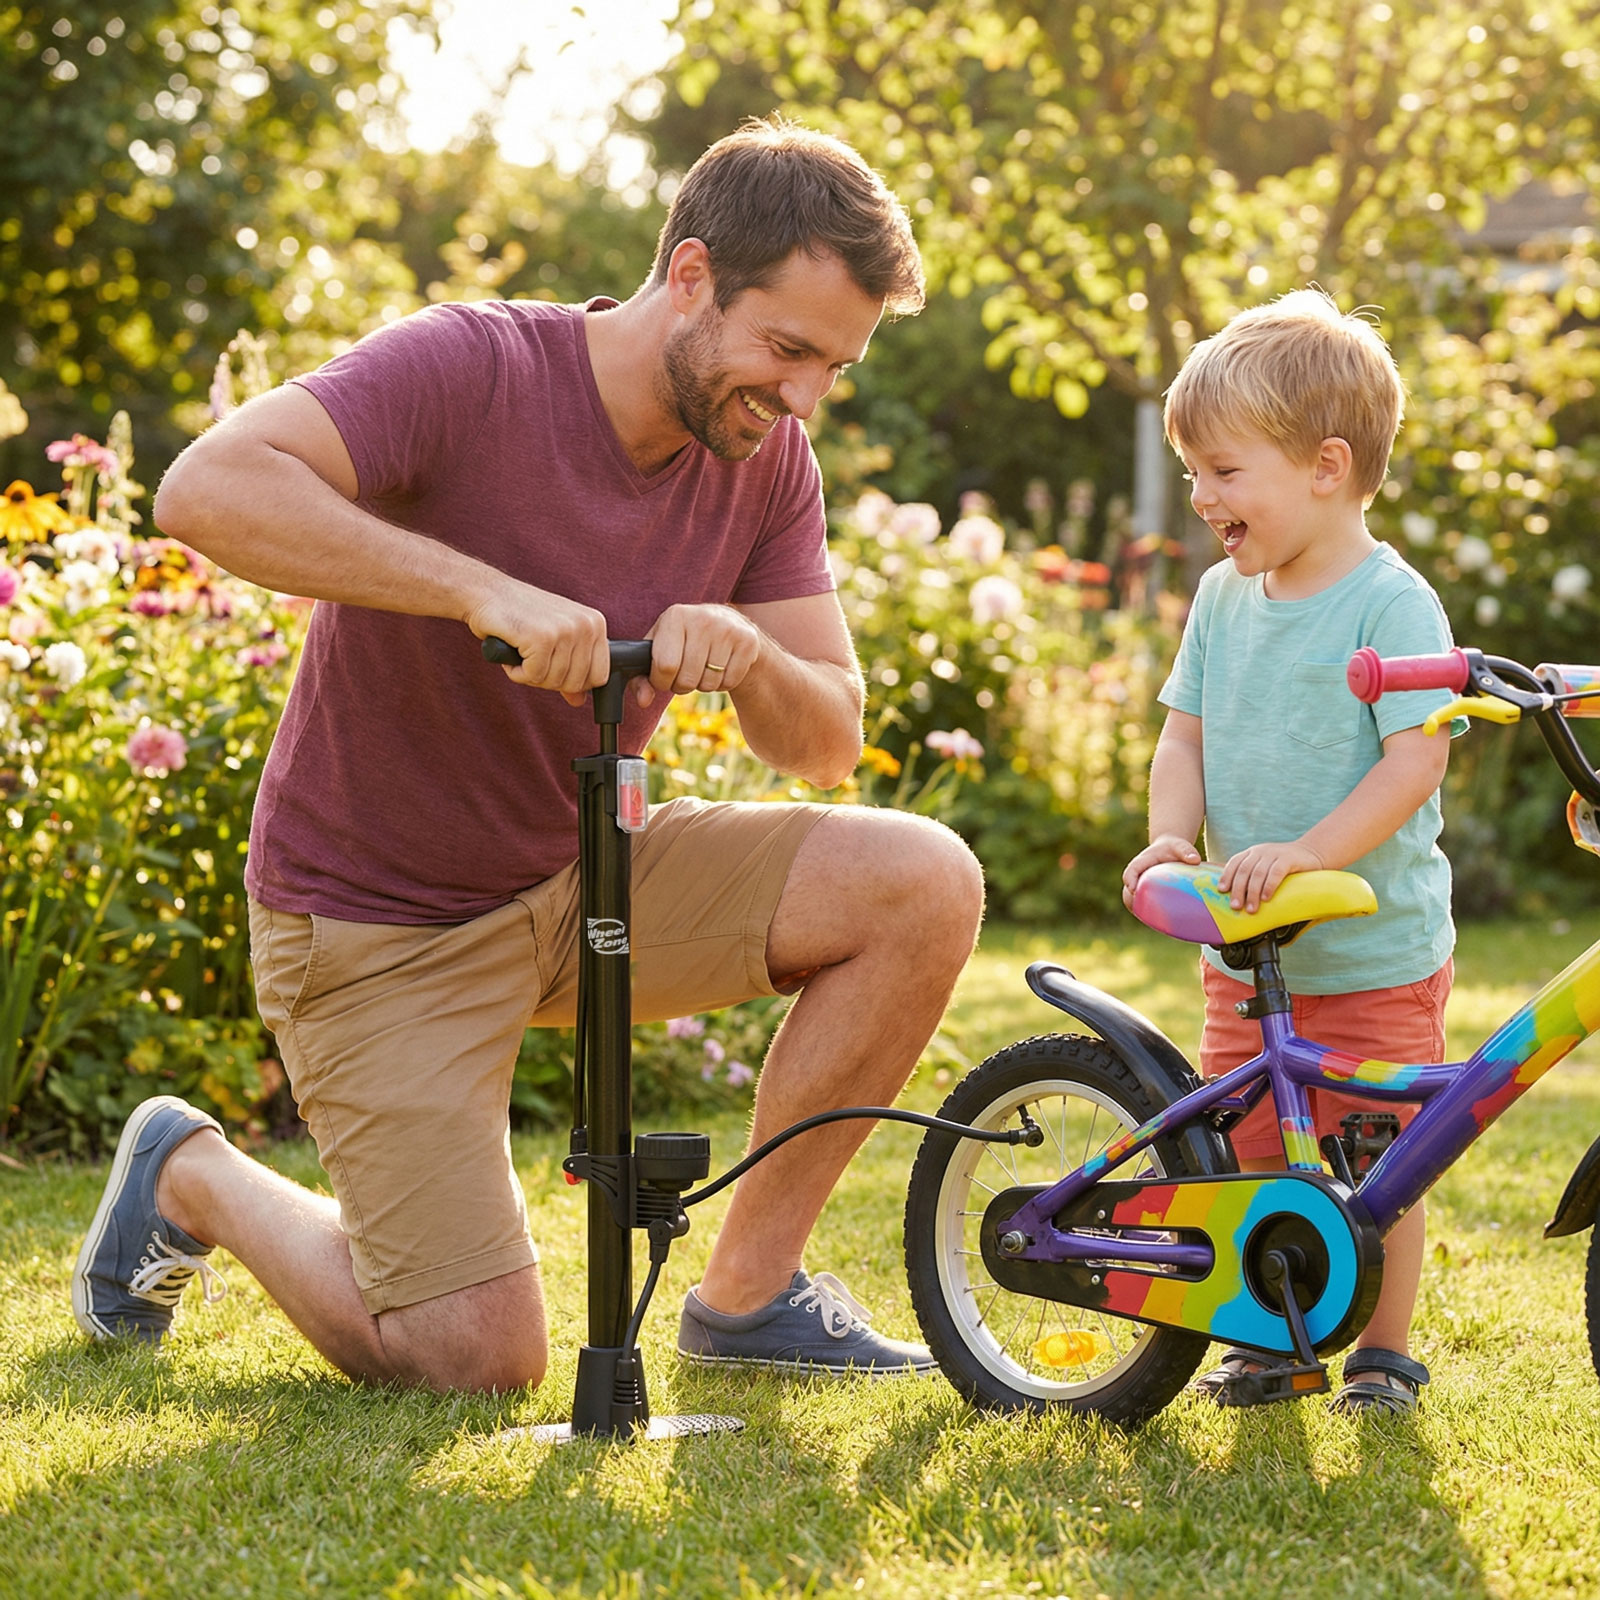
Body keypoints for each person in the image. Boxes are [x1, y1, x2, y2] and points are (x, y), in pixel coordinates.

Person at [72, 117, 985, 1392]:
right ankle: (193, 1170)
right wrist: (473, 592)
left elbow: (827, 741)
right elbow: (206, 489)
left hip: (584, 883)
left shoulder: (767, 459)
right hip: (377, 924)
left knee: (922, 878)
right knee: (475, 1361)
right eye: (786, 349)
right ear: (689, 275)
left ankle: (747, 1298)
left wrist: (752, 654)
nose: (803, 396)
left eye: (833, 366)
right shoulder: (472, 366)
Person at [1121, 288, 1459, 1415]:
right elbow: (1186, 730)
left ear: (1323, 467)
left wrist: (1309, 852)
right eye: (1194, 474)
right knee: (1255, 1144)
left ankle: (1383, 1352)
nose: (1202, 497)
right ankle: (1275, 1336)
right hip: (1244, 944)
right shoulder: (1222, 597)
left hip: (1370, 951)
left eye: (1224, 471)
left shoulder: (1390, 604)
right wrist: (1174, 831)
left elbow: (1413, 763)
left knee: (1380, 1161)